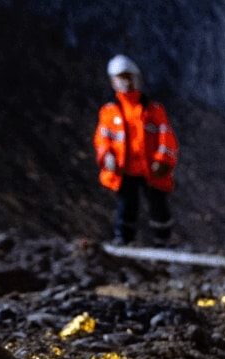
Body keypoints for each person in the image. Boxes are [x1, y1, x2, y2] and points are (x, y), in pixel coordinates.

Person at [93, 54, 179, 246]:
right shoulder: (109, 112)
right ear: (113, 82)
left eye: (129, 78)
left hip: (150, 168)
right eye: (121, 79)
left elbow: (166, 137)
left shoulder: (153, 110)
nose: (126, 83)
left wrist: (163, 160)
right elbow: (102, 138)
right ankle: (123, 238)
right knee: (126, 205)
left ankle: (163, 239)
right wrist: (107, 155)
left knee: (158, 204)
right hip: (126, 169)